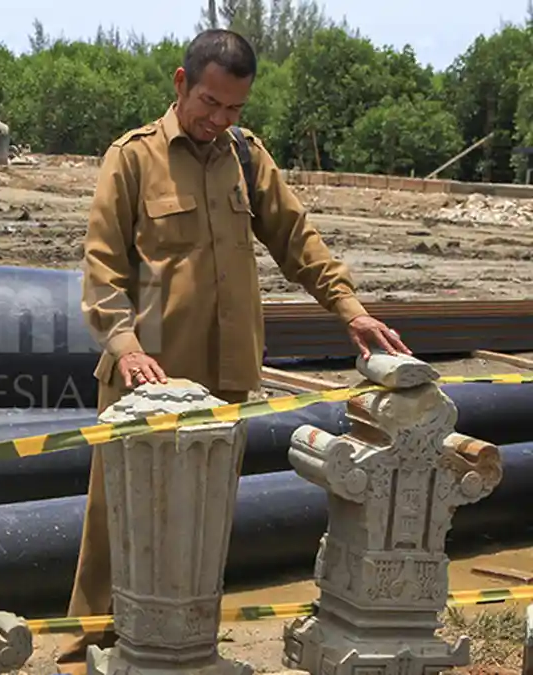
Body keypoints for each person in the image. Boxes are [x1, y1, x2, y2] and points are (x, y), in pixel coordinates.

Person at [57, 28, 410, 674]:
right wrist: (126, 343)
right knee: (117, 519)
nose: (219, 120)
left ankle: (189, 642)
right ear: (180, 83)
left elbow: (298, 239)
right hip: (146, 379)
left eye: (234, 110)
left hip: (224, 382)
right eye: (210, 104)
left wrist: (349, 308)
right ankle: (86, 649)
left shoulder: (245, 157)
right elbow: (102, 269)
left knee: (206, 516)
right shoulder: (132, 158)